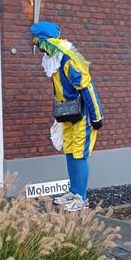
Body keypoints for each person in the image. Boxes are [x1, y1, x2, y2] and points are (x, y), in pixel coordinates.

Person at [30, 21, 103, 212]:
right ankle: (73, 192)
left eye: (36, 40)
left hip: (82, 115)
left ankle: (81, 198)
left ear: (45, 40)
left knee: (79, 155)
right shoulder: (54, 58)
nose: (35, 44)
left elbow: (87, 87)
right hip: (67, 113)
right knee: (69, 152)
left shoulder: (67, 59)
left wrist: (97, 116)